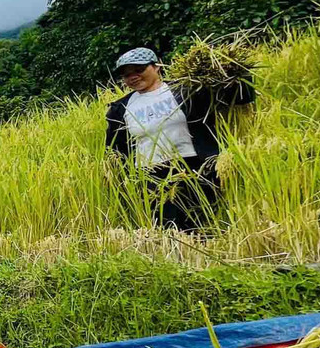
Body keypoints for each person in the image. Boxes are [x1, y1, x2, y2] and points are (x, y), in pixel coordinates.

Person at [105, 47, 253, 232]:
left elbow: (241, 96)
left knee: (203, 223)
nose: (132, 77)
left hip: (195, 166)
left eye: (139, 70)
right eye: (126, 75)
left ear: (156, 66)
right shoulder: (120, 108)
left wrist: (232, 69)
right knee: (167, 228)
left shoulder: (186, 89)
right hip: (151, 174)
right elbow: (115, 149)